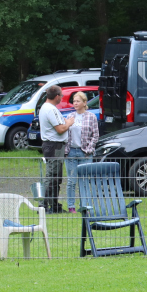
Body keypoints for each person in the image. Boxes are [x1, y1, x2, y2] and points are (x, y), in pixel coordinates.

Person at [38, 85, 76, 214]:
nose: (62, 98)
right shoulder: (50, 109)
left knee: (55, 177)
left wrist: (65, 122)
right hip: (54, 146)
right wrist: (69, 123)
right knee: (52, 176)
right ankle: (43, 206)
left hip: (54, 145)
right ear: (57, 96)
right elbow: (60, 129)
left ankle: (54, 206)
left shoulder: (48, 108)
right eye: (61, 96)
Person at [63, 91, 99, 212]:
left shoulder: (91, 117)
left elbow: (95, 135)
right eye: (74, 101)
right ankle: (71, 206)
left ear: (84, 103)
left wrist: (89, 149)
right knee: (71, 181)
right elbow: (65, 133)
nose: (75, 103)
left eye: (78, 101)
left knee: (84, 181)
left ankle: (84, 205)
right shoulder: (70, 116)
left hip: (85, 153)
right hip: (71, 152)